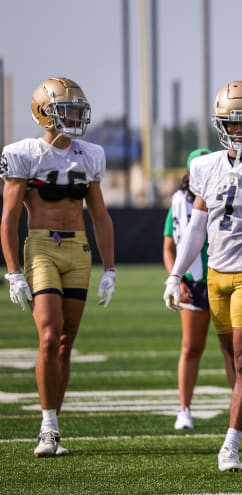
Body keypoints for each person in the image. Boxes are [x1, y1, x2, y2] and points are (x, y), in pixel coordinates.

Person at [163, 81, 242, 471]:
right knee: (234, 364)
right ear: (221, 124)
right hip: (216, 276)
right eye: (234, 123)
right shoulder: (204, 166)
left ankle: (230, 444)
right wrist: (175, 274)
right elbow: (197, 228)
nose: (241, 131)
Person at [1, 77, 116, 457]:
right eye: (66, 109)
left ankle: (54, 422)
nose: (75, 116)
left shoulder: (91, 153)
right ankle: (47, 427)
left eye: (77, 109)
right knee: (49, 336)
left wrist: (110, 269)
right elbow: (10, 216)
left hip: (78, 250)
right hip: (41, 248)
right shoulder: (23, 153)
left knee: (66, 342)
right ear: (43, 113)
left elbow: (99, 215)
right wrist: (14, 271)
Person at [163, 148, 213, 430]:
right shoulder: (179, 201)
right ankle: (184, 408)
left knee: (236, 353)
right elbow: (168, 245)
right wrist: (177, 278)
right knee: (191, 347)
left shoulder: (225, 194)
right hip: (193, 282)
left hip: (225, 277)